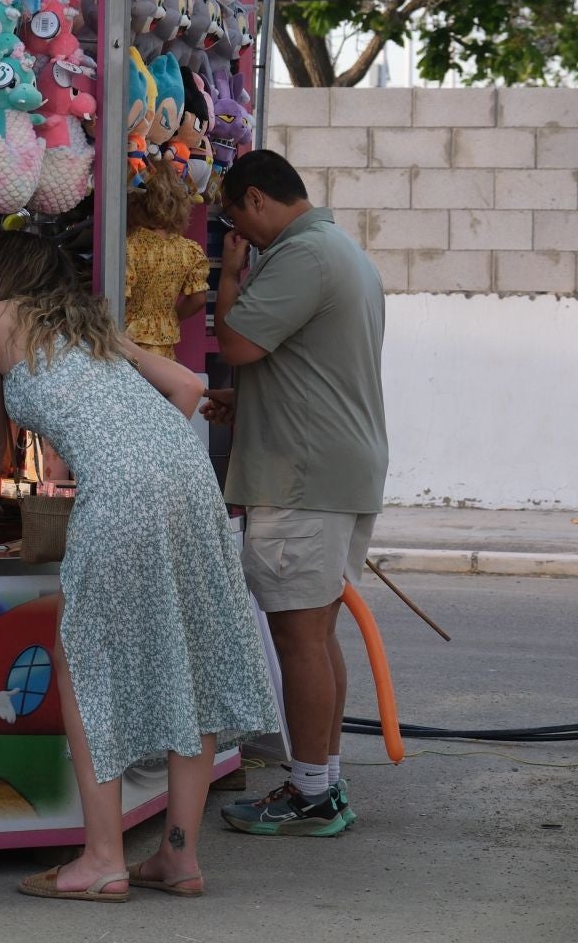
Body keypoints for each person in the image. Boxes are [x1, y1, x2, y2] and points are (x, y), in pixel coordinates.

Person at [0, 232, 276, 901]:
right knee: (192, 655)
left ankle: (101, 859)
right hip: (187, 476)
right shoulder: (87, 326)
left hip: (125, 491)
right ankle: (178, 857)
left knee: (85, 660)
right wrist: (136, 453)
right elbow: (186, 384)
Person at [208, 150, 387, 838]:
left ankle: (311, 792)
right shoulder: (341, 251)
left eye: (234, 220)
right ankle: (322, 781)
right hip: (334, 468)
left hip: (303, 477)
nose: (238, 235)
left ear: (256, 199)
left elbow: (238, 341)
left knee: (298, 637)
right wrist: (245, 403)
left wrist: (228, 278)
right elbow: (302, 370)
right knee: (315, 634)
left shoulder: (301, 255)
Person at [124, 165, 210, 359]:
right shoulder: (189, 250)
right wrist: (169, 317)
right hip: (166, 347)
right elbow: (199, 299)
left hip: (128, 342)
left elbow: (120, 297)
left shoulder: (128, 246)